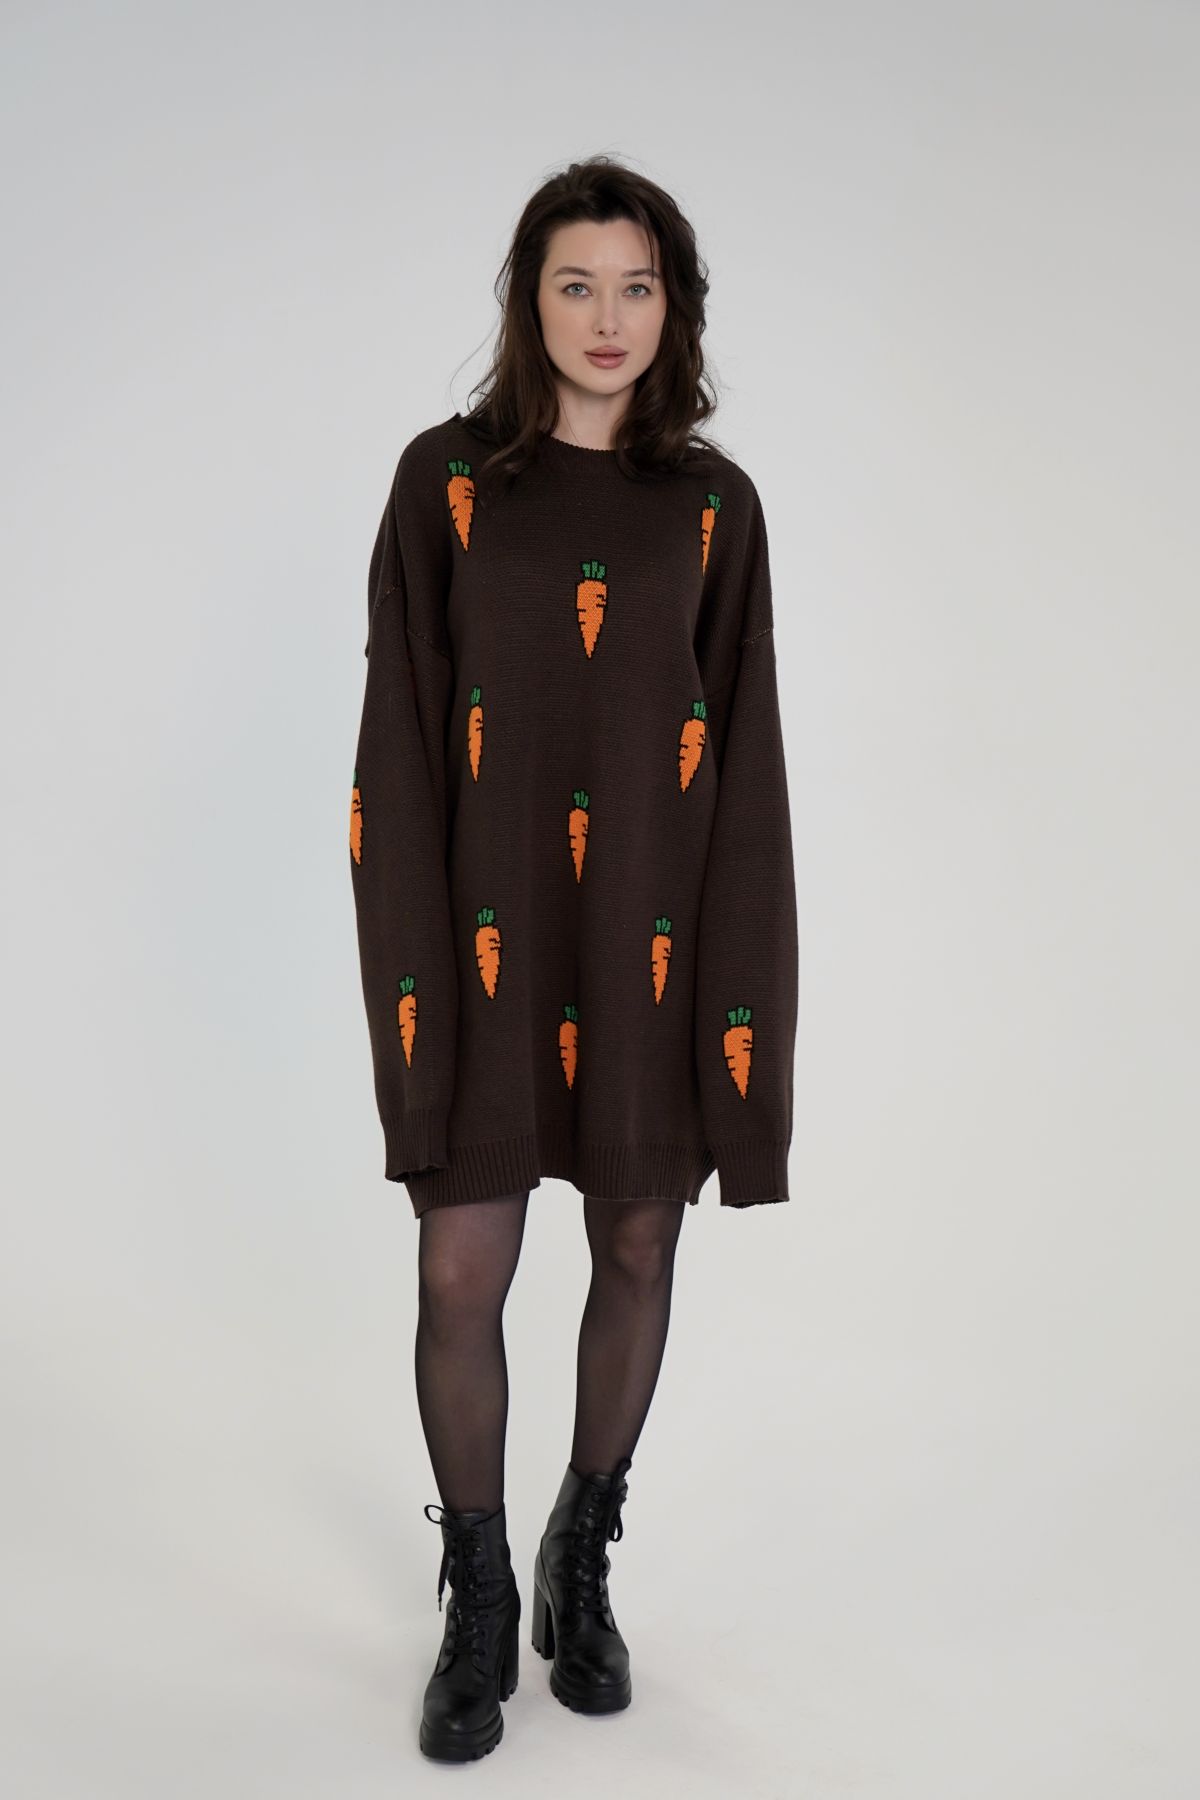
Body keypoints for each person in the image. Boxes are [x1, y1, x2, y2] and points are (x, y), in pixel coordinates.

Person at [348, 154, 799, 1762]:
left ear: (674, 307)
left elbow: (743, 767)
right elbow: (399, 746)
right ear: (526, 301)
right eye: (575, 284)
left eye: (637, 286)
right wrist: (410, 982)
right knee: (459, 1267)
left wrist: (740, 1004)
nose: (607, 317)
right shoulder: (447, 483)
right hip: (483, 943)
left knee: (639, 1248)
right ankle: (477, 1595)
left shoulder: (714, 507)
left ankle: (577, 1554)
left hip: (650, 950)